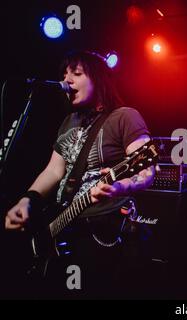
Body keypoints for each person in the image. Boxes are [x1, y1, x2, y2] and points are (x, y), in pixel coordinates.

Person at [4, 51, 155, 298]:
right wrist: (26, 200)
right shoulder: (68, 122)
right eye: (64, 75)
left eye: (76, 73)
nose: (67, 80)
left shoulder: (125, 116)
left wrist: (121, 186)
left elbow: (146, 169)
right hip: (61, 223)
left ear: (98, 79)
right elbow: (53, 170)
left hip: (102, 229)